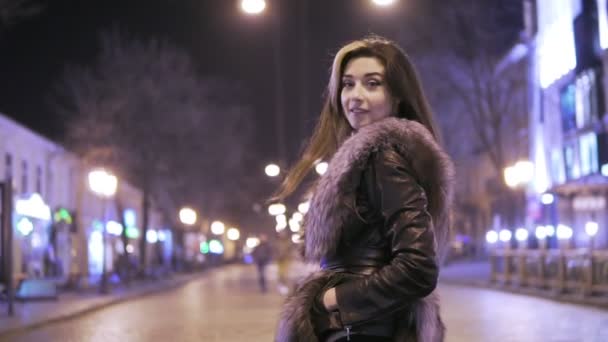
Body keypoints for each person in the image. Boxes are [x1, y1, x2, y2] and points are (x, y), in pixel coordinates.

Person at [275, 36, 454, 342]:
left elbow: (418, 267)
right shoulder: (374, 158)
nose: (355, 96)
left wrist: (330, 301)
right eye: (348, 84)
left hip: (362, 330)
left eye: (372, 84)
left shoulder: (383, 157)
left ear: (397, 96)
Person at [275, 230, 293, 295]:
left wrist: (288, 256)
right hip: (279, 260)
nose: (282, 235)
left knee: (285, 274)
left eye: (283, 234)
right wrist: (277, 256)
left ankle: (284, 286)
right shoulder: (277, 242)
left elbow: (290, 251)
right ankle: (280, 285)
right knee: (280, 273)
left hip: (286, 259)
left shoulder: (288, 242)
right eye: (281, 234)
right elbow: (275, 251)